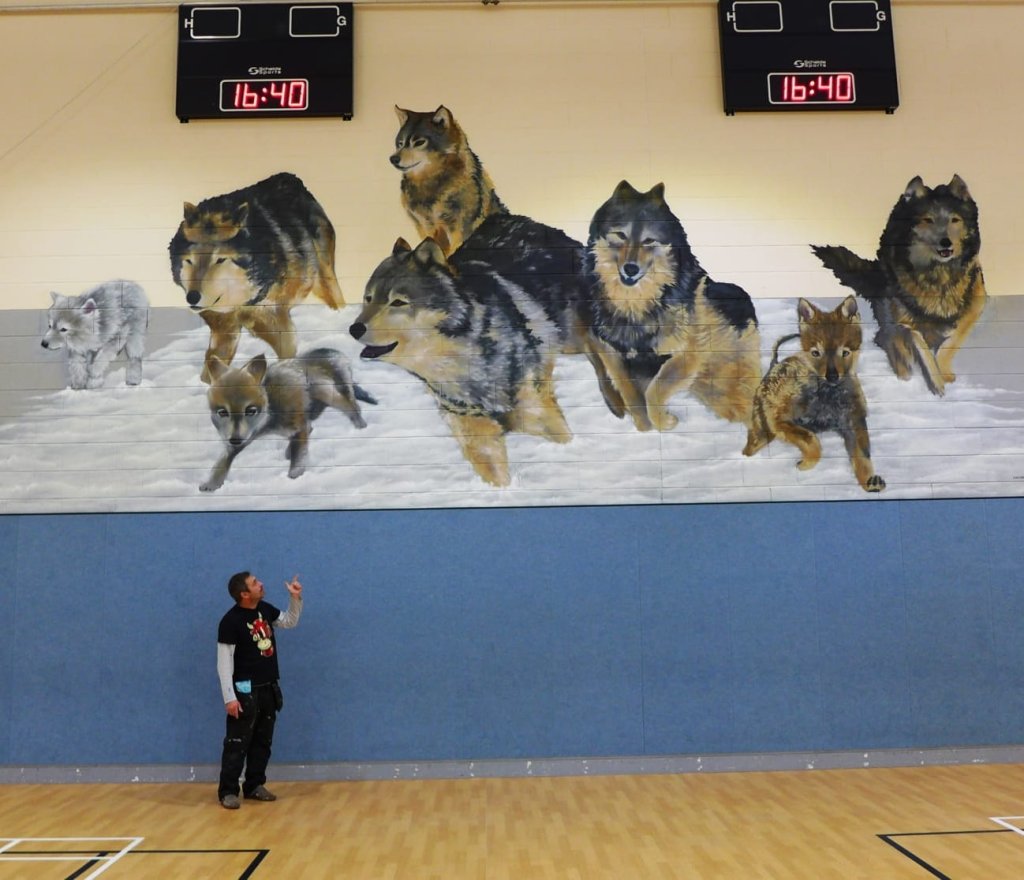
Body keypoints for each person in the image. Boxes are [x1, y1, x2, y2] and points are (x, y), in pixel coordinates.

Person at [216, 570, 303, 809]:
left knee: (263, 741)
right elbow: (224, 663)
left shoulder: (264, 609)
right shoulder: (230, 622)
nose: (261, 584)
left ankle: (254, 785)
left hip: (268, 688)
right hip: (244, 691)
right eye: (255, 583)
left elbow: (289, 621)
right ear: (244, 594)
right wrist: (229, 698)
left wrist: (295, 598)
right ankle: (228, 791)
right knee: (237, 742)